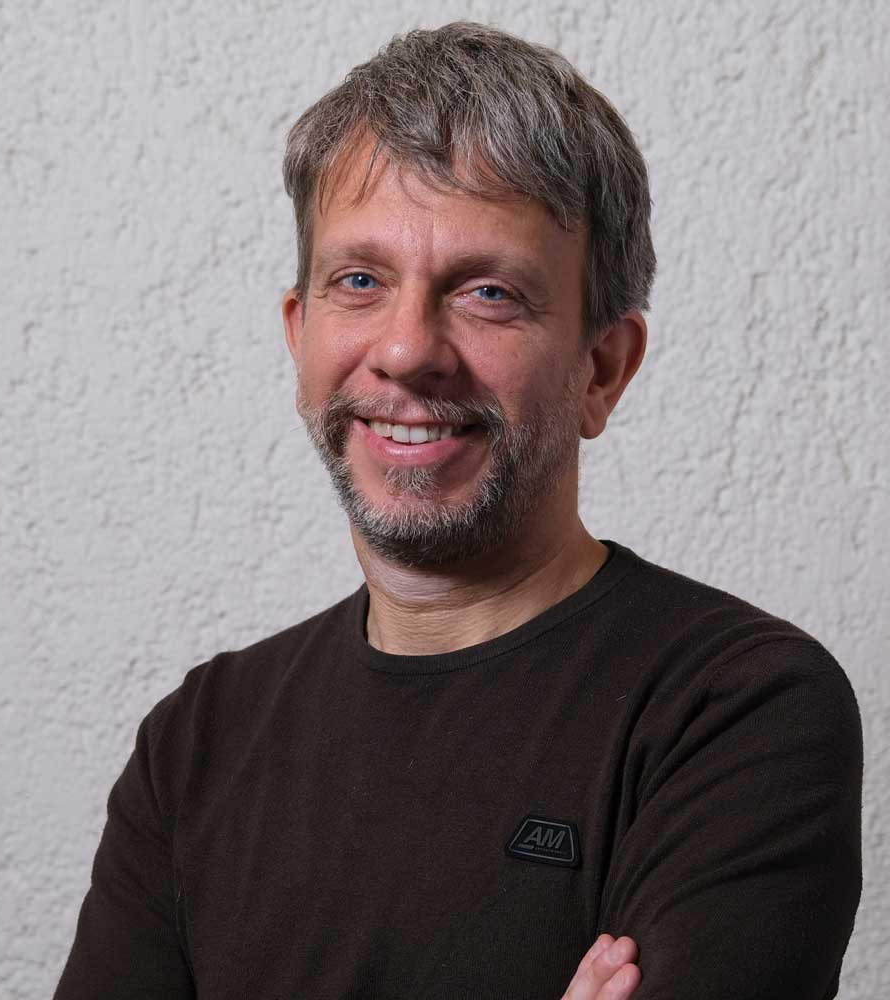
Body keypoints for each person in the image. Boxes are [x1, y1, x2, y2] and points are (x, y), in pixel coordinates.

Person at [54, 22, 862, 1000]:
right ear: (299, 330)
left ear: (602, 368)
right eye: (359, 280)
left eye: (487, 292)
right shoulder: (196, 741)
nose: (405, 350)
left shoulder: (732, 710)